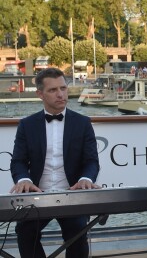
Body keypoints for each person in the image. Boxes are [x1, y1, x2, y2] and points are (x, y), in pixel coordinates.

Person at [10, 67, 100, 258]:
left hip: (71, 194)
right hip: (37, 196)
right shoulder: (27, 125)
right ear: (40, 94)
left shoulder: (83, 123)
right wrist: (23, 180)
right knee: (25, 232)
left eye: (63, 88)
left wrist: (85, 178)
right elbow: (18, 161)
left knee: (77, 231)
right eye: (53, 90)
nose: (60, 94)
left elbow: (91, 160)